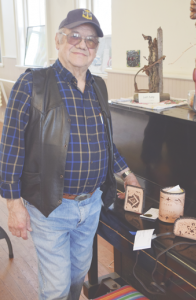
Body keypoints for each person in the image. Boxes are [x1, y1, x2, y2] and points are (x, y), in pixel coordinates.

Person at [0, 8, 140, 300]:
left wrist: (127, 174)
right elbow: (11, 148)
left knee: (78, 275)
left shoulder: (98, 86)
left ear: (96, 49)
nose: (82, 44)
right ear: (58, 40)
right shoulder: (32, 84)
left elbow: (105, 140)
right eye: (74, 35)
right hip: (50, 206)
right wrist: (14, 206)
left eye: (91, 40)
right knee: (56, 287)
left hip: (90, 206)